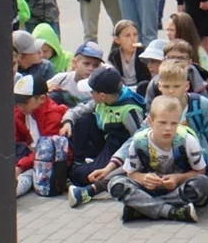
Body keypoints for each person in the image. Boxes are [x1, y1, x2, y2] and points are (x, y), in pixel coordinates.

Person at [107, 95, 208, 222]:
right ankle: (172, 212)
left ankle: (142, 208)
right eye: (162, 123)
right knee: (115, 184)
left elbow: (200, 171)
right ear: (150, 121)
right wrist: (143, 178)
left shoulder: (187, 141)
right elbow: (131, 173)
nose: (168, 128)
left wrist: (177, 178)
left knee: (203, 183)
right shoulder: (139, 141)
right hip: (149, 189)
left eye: (173, 123)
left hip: (177, 189)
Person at [62, 66, 146, 205]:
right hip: (104, 141)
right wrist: (67, 121)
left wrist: (113, 165)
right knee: (84, 119)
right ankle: (79, 162)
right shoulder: (101, 101)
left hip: (118, 150)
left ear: (102, 95)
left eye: (92, 92)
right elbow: (78, 110)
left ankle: (82, 171)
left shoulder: (129, 110)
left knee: (82, 176)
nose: (90, 94)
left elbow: (137, 140)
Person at [14, 72, 68, 197]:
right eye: (17, 102)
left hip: (47, 162)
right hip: (27, 156)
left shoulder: (52, 115)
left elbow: (47, 152)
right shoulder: (18, 112)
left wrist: (20, 167)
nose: (20, 106)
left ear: (42, 99)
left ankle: (11, 191)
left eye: (25, 102)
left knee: (28, 175)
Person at [47, 42, 103, 108]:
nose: (91, 68)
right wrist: (47, 89)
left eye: (96, 65)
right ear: (75, 63)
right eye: (86, 64)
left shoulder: (98, 86)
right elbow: (42, 91)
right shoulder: (63, 78)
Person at [167, 12, 208, 82]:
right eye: (167, 30)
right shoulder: (166, 49)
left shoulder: (199, 52)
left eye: (171, 30)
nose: (168, 34)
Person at [107, 19, 148, 89]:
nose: (132, 38)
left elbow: (146, 77)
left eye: (135, 35)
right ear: (117, 40)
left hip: (141, 88)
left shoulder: (144, 53)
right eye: (127, 35)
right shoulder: (114, 56)